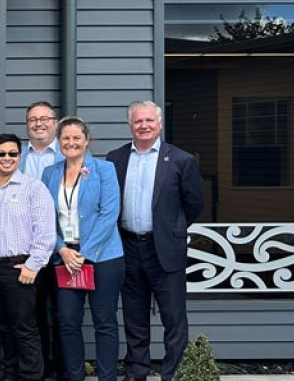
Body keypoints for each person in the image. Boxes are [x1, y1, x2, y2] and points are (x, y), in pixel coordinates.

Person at [105, 101, 203, 381]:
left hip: (165, 249)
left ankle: (173, 373)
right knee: (134, 316)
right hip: (127, 247)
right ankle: (137, 371)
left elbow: (194, 204)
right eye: (138, 121)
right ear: (130, 126)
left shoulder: (181, 160)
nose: (144, 126)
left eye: (149, 120)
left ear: (159, 124)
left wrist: (171, 230)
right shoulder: (115, 158)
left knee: (174, 318)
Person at [40, 117, 124, 381]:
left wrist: (84, 253)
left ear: (87, 140)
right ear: (58, 141)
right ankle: (74, 376)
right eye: (65, 138)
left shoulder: (104, 169)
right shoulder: (50, 173)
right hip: (65, 256)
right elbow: (44, 217)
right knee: (67, 321)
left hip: (103, 256)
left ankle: (107, 377)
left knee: (104, 321)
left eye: (76, 137)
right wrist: (62, 249)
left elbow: (109, 213)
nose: (71, 142)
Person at [0, 134, 55, 381]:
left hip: (20, 268)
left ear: (19, 157)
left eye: (12, 154)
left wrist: (33, 266)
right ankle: (9, 375)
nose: (7, 158)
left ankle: (31, 377)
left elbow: (46, 232)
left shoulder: (33, 188)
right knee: (3, 329)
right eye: (0, 154)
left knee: (24, 329)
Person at [16, 102, 65, 381]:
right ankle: (41, 368)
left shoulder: (69, 153)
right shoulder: (18, 157)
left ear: (55, 123)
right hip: (28, 249)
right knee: (33, 313)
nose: (38, 124)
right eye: (33, 120)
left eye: (44, 118)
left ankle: (63, 367)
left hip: (63, 248)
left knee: (63, 313)